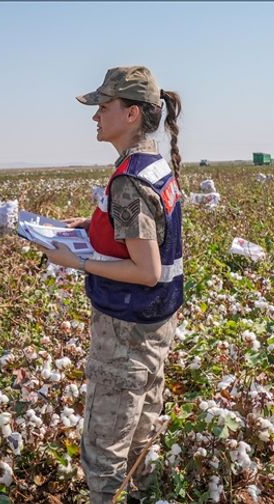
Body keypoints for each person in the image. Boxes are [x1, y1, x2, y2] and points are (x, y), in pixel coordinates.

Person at [39, 66, 184, 503]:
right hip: (154, 322)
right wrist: (93, 226)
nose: (96, 117)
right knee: (142, 435)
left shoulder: (129, 180)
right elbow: (147, 232)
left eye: (104, 107)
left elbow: (146, 270)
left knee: (105, 449)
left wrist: (78, 260)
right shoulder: (150, 163)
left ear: (132, 114)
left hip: (127, 329)